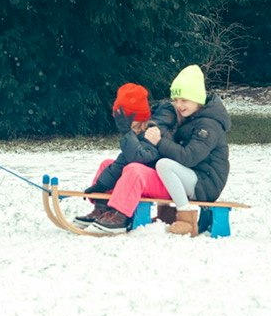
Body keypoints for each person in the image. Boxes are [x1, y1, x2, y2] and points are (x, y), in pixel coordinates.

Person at [84, 65, 231, 233]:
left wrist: (160, 142)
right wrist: (101, 184)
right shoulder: (186, 118)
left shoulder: (208, 125)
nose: (179, 105)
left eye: (184, 100)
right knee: (122, 164)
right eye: (176, 100)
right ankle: (103, 208)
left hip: (205, 183)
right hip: (187, 175)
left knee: (161, 164)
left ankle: (185, 218)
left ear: (197, 99)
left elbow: (189, 157)